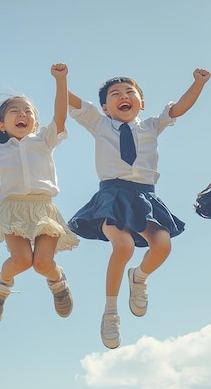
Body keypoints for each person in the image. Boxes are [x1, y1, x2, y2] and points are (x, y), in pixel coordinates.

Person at [67, 68, 210, 349]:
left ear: (141, 103)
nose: (124, 96)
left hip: (145, 196)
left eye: (130, 92)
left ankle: (139, 276)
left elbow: (179, 108)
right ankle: (110, 312)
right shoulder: (100, 123)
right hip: (112, 194)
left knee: (162, 245)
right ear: (106, 107)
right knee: (123, 247)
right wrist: (60, 80)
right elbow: (73, 102)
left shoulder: (151, 125)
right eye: (115, 95)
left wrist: (199, 83)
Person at [0, 63, 79, 325]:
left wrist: (60, 80)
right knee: (22, 260)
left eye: (28, 112)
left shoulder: (44, 141)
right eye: (15, 112)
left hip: (44, 208)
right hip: (12, 209)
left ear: (35, 121)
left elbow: (60, 117)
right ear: (2, 124)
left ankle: (58, 283)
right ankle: (1, 286)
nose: (22, 115)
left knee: (43, 264)